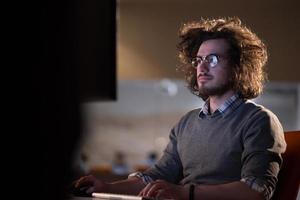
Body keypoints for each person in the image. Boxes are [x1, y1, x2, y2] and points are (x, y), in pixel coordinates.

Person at [72, 17, 287, 200]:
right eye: (198, 60)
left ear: (238, 67)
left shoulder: (259, 120)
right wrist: (106, 188)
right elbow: (155, 177)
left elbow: (256, 190)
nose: (201, 67)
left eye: (212, 59)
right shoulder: (187, 123)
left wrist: (185, 192)